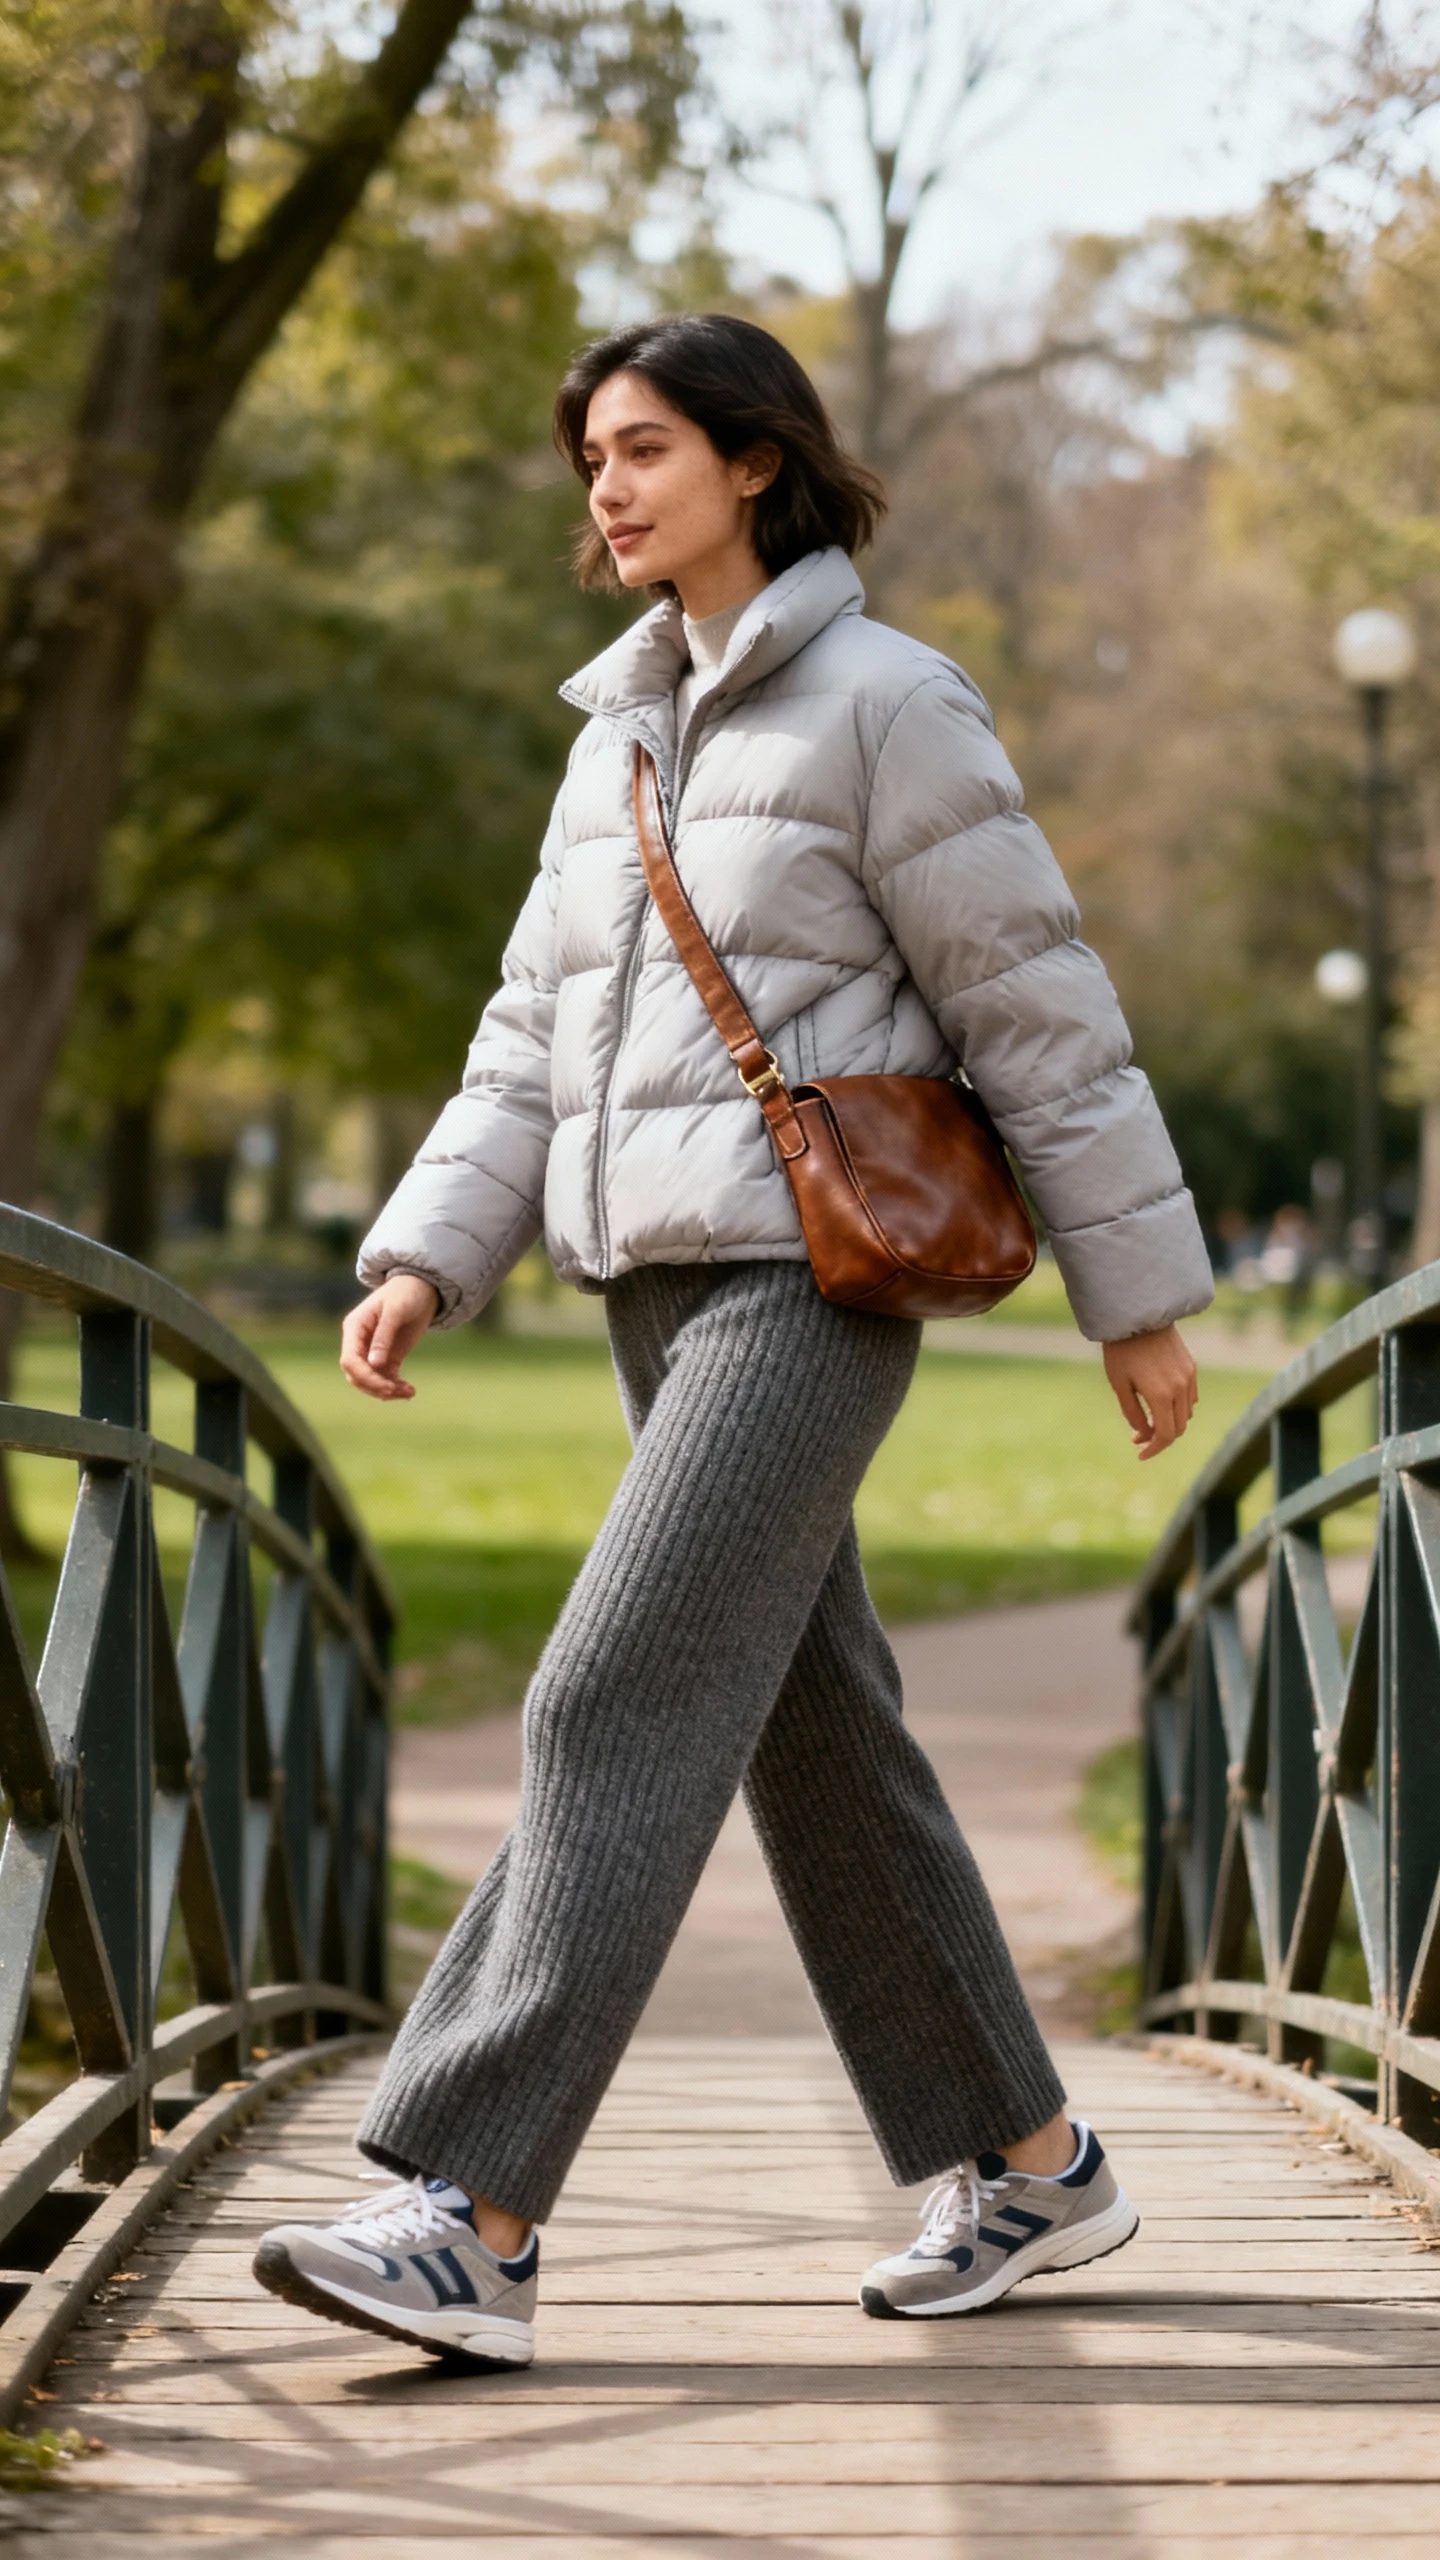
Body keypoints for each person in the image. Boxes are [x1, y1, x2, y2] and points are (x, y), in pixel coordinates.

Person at [252, 313, 1211, 2369]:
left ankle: (472, 2209)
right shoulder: (613, 740)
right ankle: (1032, 2158)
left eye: (644, 447)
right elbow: (529, 1037)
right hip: (650, 1284)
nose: (605, 487)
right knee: (815, 1737)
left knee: (608, 1692)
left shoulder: (890, 701)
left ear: (756, 460)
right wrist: (431, 1248)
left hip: (813, 1283)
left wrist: (1134, 1296)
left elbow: (1039, 1005)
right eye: (591, 456)